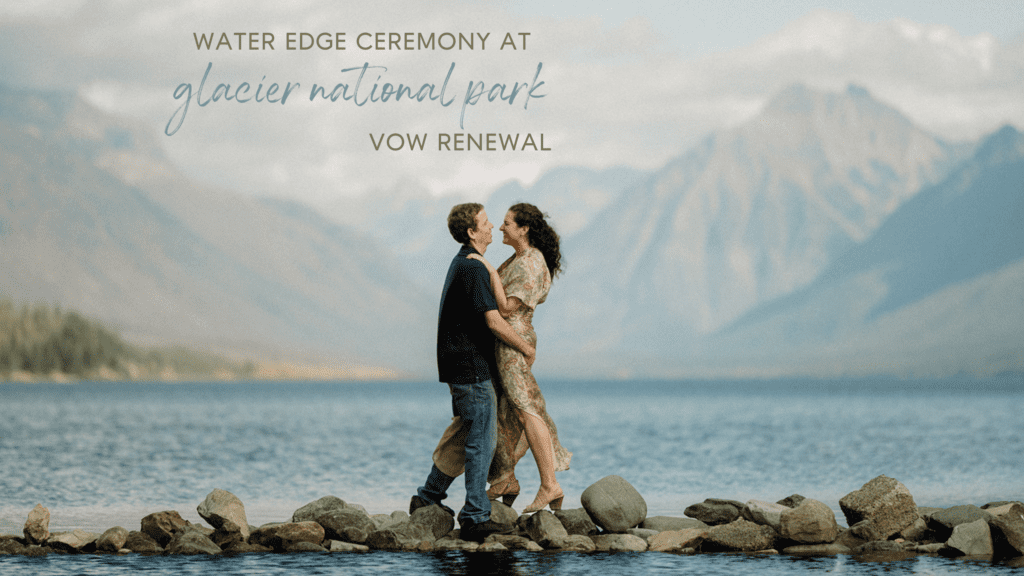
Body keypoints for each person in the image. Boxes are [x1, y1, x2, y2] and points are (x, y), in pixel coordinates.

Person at [411, 202, 538, 543]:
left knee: (465, 433)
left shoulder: (470, 264)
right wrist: (525, 347)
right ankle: (476, 515)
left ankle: (428, 496)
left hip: (459, 365)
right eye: (485, 222)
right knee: (482, 440)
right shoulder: (473, 268)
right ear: (471, 231)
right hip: (471, 367)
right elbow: (494, 320)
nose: (492, 225)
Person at [467, 203, 572, 514]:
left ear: (524, 229)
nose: (501, 228)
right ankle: (505, 477)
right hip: (513, 340)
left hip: (513, 339)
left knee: (526, 411)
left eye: (507, 223)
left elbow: (508, 308)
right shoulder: (521, 258)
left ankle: (549, 484)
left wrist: (485, 268)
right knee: (515, 409)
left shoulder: (529, 263)